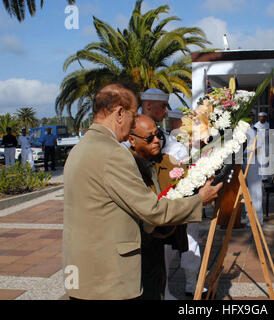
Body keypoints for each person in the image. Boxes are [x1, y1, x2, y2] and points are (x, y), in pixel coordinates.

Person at [63, 83, 222, 300]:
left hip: (83, 270)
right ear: (119, 113)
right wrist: (199, 200)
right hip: (109, 277)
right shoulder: (112, 154)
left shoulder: (79, 149)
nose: (132, 124)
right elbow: (152, 209)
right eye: (132, 114)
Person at [140, 89, 206, 299]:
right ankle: (164, 289)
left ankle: (184, 284)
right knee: (161, 250)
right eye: (163, 107)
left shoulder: (166, 136)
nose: (166, 112)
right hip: (153, 202)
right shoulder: (135, 134)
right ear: (148, 106)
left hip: (175, 200)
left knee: (178, 242)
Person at [129, 114, 189, 300]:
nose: (156, 140)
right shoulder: (126, 167)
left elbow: (188, 182)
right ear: (132, 140)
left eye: (158, 135)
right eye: (149, 138)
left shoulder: (167, 161)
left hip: (158, 242)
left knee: (157, 287)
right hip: (136, 244)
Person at [253, 112, 270, 181]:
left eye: (263, 117)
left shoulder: (268, 125)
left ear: (265, 117)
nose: (262, 118)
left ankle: (265, 177)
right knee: (259, 161)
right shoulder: (256, 126)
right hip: (258, 145)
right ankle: (259, 177)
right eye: (260, 117)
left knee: (265, 161)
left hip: (266, 145)